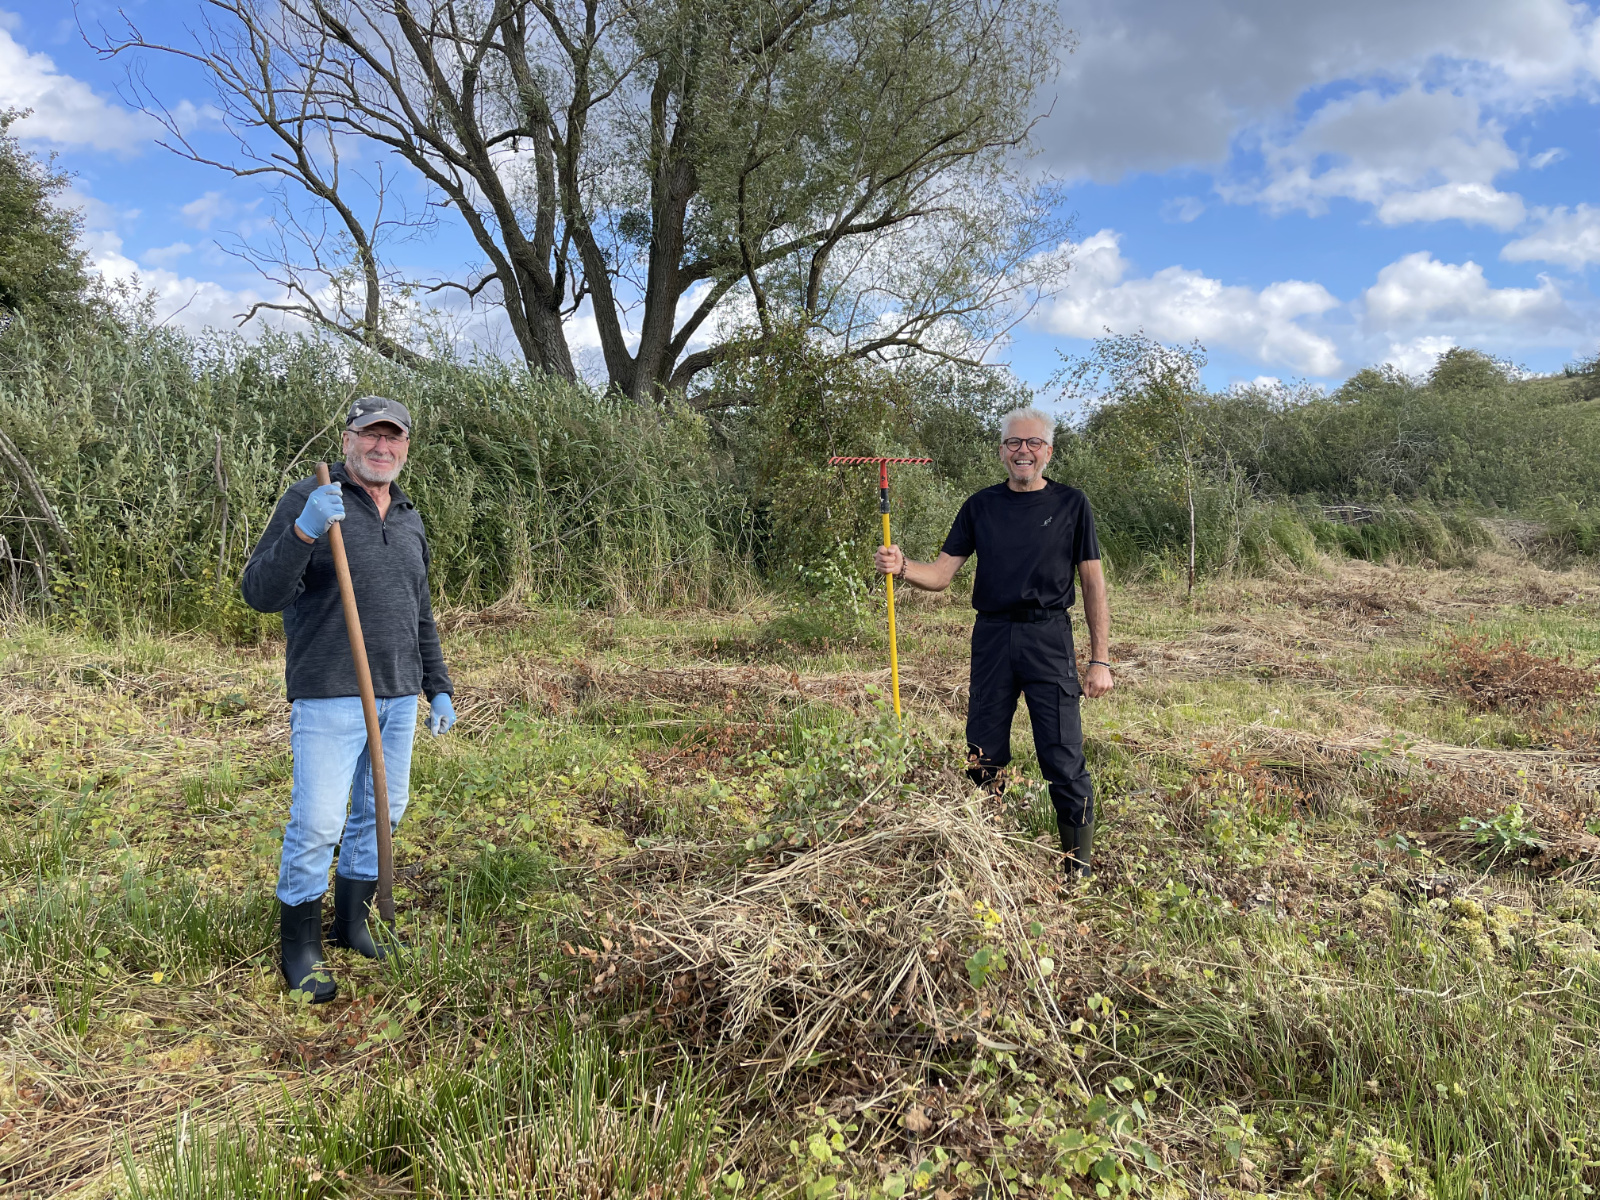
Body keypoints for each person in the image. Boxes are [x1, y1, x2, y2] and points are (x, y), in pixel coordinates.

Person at [242, 396, 457, 1002]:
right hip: (330, 691)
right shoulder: (311, 499)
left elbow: (419, 612)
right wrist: (305, 529)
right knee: (318, 821)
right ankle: (300, 947)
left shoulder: (409, 516)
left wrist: (437, 686)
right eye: (370, 435)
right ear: (347, 440)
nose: (381, 447)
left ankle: (351, 924)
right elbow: (259, 592)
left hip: (399, 694)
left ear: (406, 447)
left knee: (382, 812)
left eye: (394, 437)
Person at [874, 406, 1112, 879]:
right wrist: (902, 566)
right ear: (1001, 451)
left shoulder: (1072, 504)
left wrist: (1100, 660)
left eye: (1033, 443)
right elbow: (941, 575)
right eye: (1013, 443)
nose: (1023, 451)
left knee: (1063, 757)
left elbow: (1093, 584)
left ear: (1048, 452)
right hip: (992, 638)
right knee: (983, 753)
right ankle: (989, 856)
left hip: (1049, 637)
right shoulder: (980, 506)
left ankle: (1078, 872)